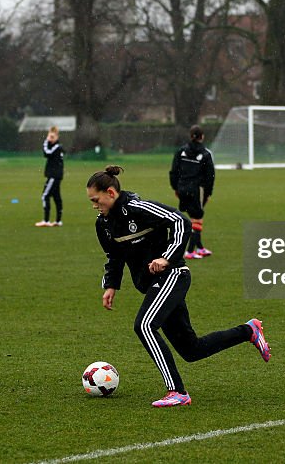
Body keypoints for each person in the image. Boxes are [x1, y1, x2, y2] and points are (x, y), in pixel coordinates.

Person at [88, 165, 269, 408]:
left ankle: (177, 391)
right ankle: (249, 331)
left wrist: (167, 257)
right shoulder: (103, 224)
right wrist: (111, 286)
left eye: (95, 199)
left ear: (110, 192)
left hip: (173, 275)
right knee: (191, 349)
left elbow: (180, 221)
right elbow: (114, 256)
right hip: (152, 285)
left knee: (144, 325)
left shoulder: (138, 208)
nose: (94, 205)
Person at [169, 125, 216, 258]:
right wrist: (208, 193)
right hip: (197, 190)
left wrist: (175, 187)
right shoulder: (206, 154)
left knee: (193, 217)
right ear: (202, 137)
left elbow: (173, 171)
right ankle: (190, 251)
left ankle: (200, 248)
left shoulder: (181, 151)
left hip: (182, 188)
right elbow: (210, 176)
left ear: (191, 136)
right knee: (198, 219)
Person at [35, 126, 64, 227]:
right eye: (49, 136)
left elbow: (47, 153)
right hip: (57, 175)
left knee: (45, 195)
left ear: (57, 137)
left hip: (53, 176)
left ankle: (46, 221)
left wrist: (46, 141)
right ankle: (58, 221)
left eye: (52, 137)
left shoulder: (56, 147)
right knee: (56, 197)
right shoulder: (57, 147)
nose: (50, 139)